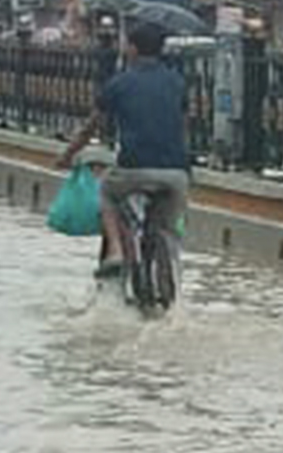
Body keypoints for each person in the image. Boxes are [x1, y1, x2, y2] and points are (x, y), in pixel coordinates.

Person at [62, 21, 193, 282]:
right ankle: (169, 270)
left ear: (132, 49)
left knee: (108, 195)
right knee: (167, 227)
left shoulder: (119, 83)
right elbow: (184, 127)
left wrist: (66, 156)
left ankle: (116, 251)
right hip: (177, 174)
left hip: (133, 169)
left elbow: (90, 127)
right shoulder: (177, 82)